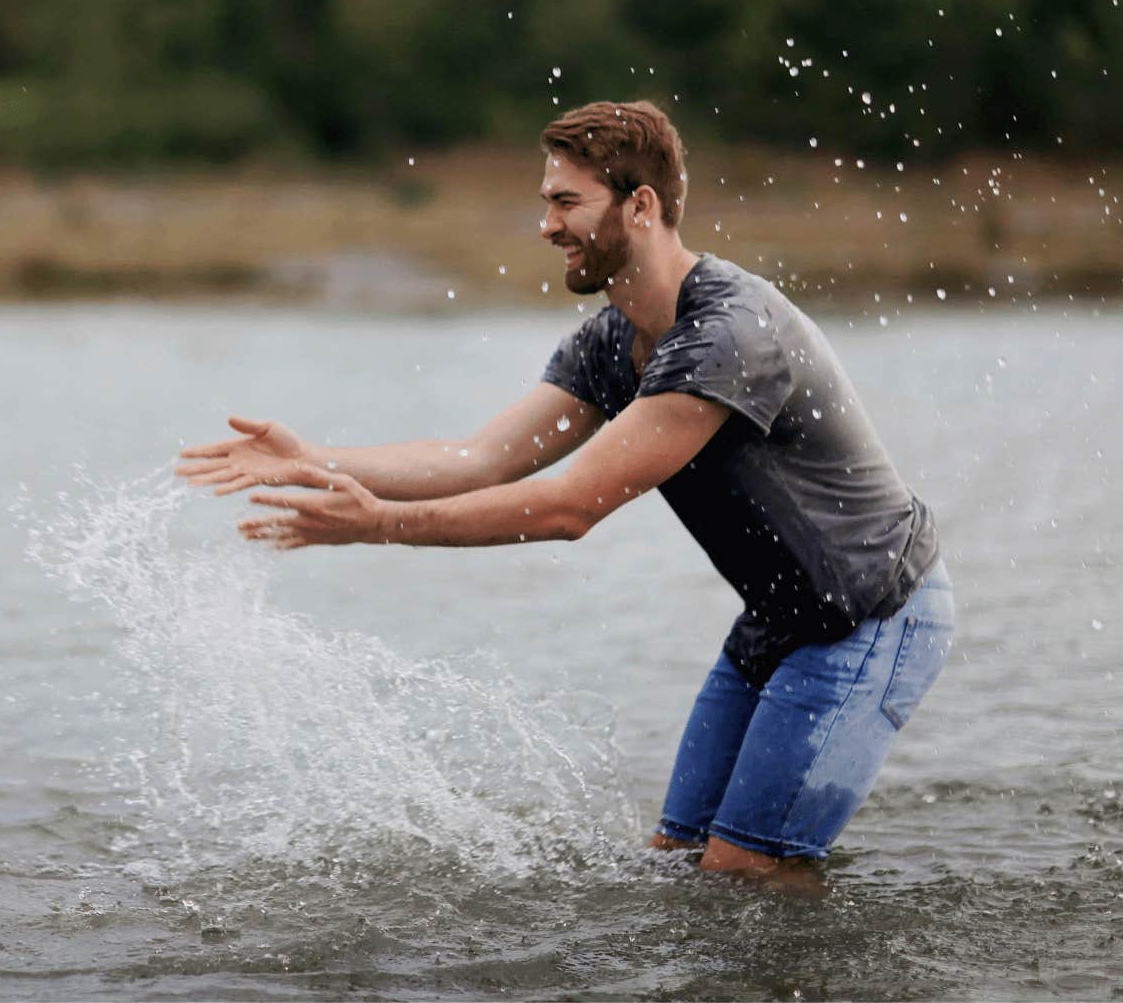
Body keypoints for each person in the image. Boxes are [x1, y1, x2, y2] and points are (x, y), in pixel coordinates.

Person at [178, 101, 952, 887]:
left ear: (640, 206)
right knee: (680, 866)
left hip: (870, 614)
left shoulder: (726, 335)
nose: (546, 226)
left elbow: (568, 507)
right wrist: (318, 460)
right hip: (780, 618)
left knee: (744, 869)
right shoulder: (612, 340)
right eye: (546, 203)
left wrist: (378, 523)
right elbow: (482, 458)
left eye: (565, 202)